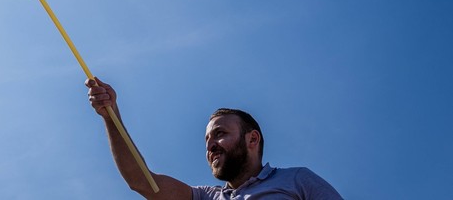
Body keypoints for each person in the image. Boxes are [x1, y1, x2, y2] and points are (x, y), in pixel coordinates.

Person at [86, 78, 343, 199]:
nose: (210, 145)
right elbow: (142, 181)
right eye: (207, 139)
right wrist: (111, 116)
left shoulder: (297, 180)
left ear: (252, 139)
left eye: (220, 134)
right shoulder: (208, 197)